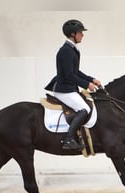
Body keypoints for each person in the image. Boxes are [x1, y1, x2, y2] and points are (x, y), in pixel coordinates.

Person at [45, 19, 101, 150]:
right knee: (84, 109)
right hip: (64, 89)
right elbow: (69, 75)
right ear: (72, 34)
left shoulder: (72, 49)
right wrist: (87, 85)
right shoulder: (66, 51)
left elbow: (76, 72)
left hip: (69, 88)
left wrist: (92, 80)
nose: (82, 35)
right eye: (80, 32)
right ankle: (68, 140)